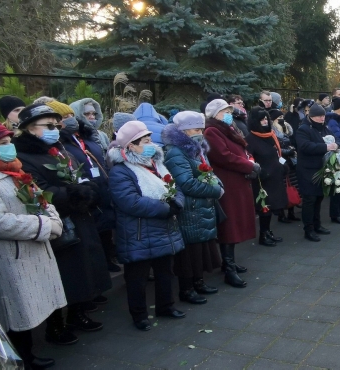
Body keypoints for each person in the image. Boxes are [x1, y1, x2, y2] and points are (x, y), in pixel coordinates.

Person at [0, 119, 66, 369]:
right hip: (10, 256)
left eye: (9, 142)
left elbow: (42, 201)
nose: (10, 147)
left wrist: (53, 218)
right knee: (15, 311)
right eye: (3, 143)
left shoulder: (14, 168)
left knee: (32, 305)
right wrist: (44, 226)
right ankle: (22, 359)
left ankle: (32, 351)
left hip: (33, 250)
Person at [12, 104, 112, 345]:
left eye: (56, 126)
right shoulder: (23, 157)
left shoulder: (56, 150)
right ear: (29, 129)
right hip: (58, 222)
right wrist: (75, 193)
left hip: (78, 217)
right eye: (48, 126)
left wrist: (86, 188)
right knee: (63, 275)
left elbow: (74, 175)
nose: (55, 130)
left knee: (82, 268)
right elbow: (39, 192)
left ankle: (78, 313)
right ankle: (56, 327)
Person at [107, 120, 186, 331]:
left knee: (165, 272)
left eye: (150, 139)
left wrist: (177, 203)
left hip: (163, 230)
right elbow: (130, 202)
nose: (151, 144)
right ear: (130, 145)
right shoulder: (121, 171)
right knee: (137, 278)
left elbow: (174, 185)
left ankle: (166, 306)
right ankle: (139, 315)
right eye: (144, 140)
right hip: (138, 233)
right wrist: (166, 208)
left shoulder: (156, 165)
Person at [161, 112, 223, 305]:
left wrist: (217, 184)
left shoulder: (196, 149)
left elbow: (208, 171)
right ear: (184, 130)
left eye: (201, 129)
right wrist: (214, 190)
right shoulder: (176, 152)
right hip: (189, 208)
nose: (201, 133)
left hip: (199, 207)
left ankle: (198, 281)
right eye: (197, 129)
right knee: (189, 253)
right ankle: (186, 289)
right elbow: (186, 183)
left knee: (200, 249)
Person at [52, 100, 120, 274]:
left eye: (71, 116)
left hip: (101, 187)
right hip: (84, 190)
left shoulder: (86, 137)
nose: (70, 120)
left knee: (105, 226)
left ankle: (107, 258)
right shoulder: (61, 143)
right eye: (64, 117)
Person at [203, 99, 255, 288]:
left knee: (235, 223)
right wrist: (247, 164)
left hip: (237, 182)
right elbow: (224, 156)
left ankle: (229, 262)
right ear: (214, 114)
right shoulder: (212, 131)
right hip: (227, 183)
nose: (228, 114)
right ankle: (229, 268)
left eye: (229, 110)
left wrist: (248, 161)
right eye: (224, 111)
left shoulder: (227, 129)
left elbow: (239, 150)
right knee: (229, 225)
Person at [245, 107, 288, 246]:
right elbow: (248, 158)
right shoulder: (250, 138)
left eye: (266, 119)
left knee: (272, 206)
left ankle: (268, 231)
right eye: (261, 119)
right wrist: (258, 170)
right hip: (262, 179)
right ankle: (263, 235)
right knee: (265, 207)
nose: (264, 122)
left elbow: (276, 153)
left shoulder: (270, 135)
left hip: (274, 175)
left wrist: (283, 164)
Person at [296, 104, 337, 242]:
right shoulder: (303, 129)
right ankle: (308, 229)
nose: (322, 118)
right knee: (310, 199)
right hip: (308, 170)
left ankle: (317, 224)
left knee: (319, 197)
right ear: (311, 117)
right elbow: (305, 146)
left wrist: (335, 146)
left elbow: (331, 140)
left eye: (323, 115)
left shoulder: (324, 128)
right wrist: (326, 147)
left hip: (321, 168)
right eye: (319, 116)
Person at [269, 109, 300, 223]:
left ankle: (291, 211)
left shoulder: (286, 129)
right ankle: (281, 214)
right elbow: (275, 148)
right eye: (279, 117)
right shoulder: (272, 131)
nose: (281, 118)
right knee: (282, 187)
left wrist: (291, 150)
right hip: (281, 162)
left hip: (290, 162)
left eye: (282, 116)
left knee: (292, 185)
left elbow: (290, 142)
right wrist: (288, 151)